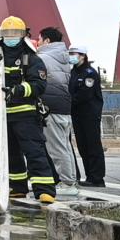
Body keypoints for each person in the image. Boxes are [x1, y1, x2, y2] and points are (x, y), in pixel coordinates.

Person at [0, 16, 56, 203]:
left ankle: (45, 190)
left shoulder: (31, 57)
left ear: (23, 35)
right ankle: (17, 187)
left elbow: (39, 85)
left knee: (34, 151)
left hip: (26, 114)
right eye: (7, 34)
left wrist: (17, 91)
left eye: (15, 34)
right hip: (2, 115)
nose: (10, 37)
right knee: (10, 154)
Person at [36, 27, 79, 196]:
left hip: (50, 107)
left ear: (47, 41)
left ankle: (67, 184)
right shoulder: (65, 58)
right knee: (65, 146)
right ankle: (71, 180)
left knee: (57, 148)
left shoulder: (43, 58)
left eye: (39, 39)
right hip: (65, 107)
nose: (37, 43)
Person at [69, 45, 105, 187]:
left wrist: (68, 102)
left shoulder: (89, 73)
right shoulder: (73, 72)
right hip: (77, 115)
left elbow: (84, 95)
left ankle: (97, 178)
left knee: (93, 146)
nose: (71, 55)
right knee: (83, 146)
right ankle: (90, 176)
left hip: (89, 114)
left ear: (82, 55)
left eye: (74, 53)